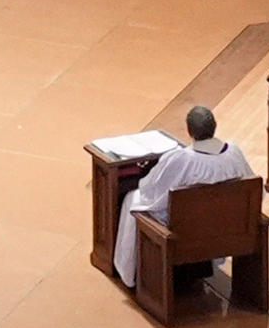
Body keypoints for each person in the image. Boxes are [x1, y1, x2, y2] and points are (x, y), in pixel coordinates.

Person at [108, 102, 252, 291]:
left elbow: (151, 189)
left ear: (189, 131)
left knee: (132, 200)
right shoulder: (234, 152)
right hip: (225, 226)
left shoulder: (182, 159)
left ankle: (128, 273)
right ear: (214, 127)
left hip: (185, 231)